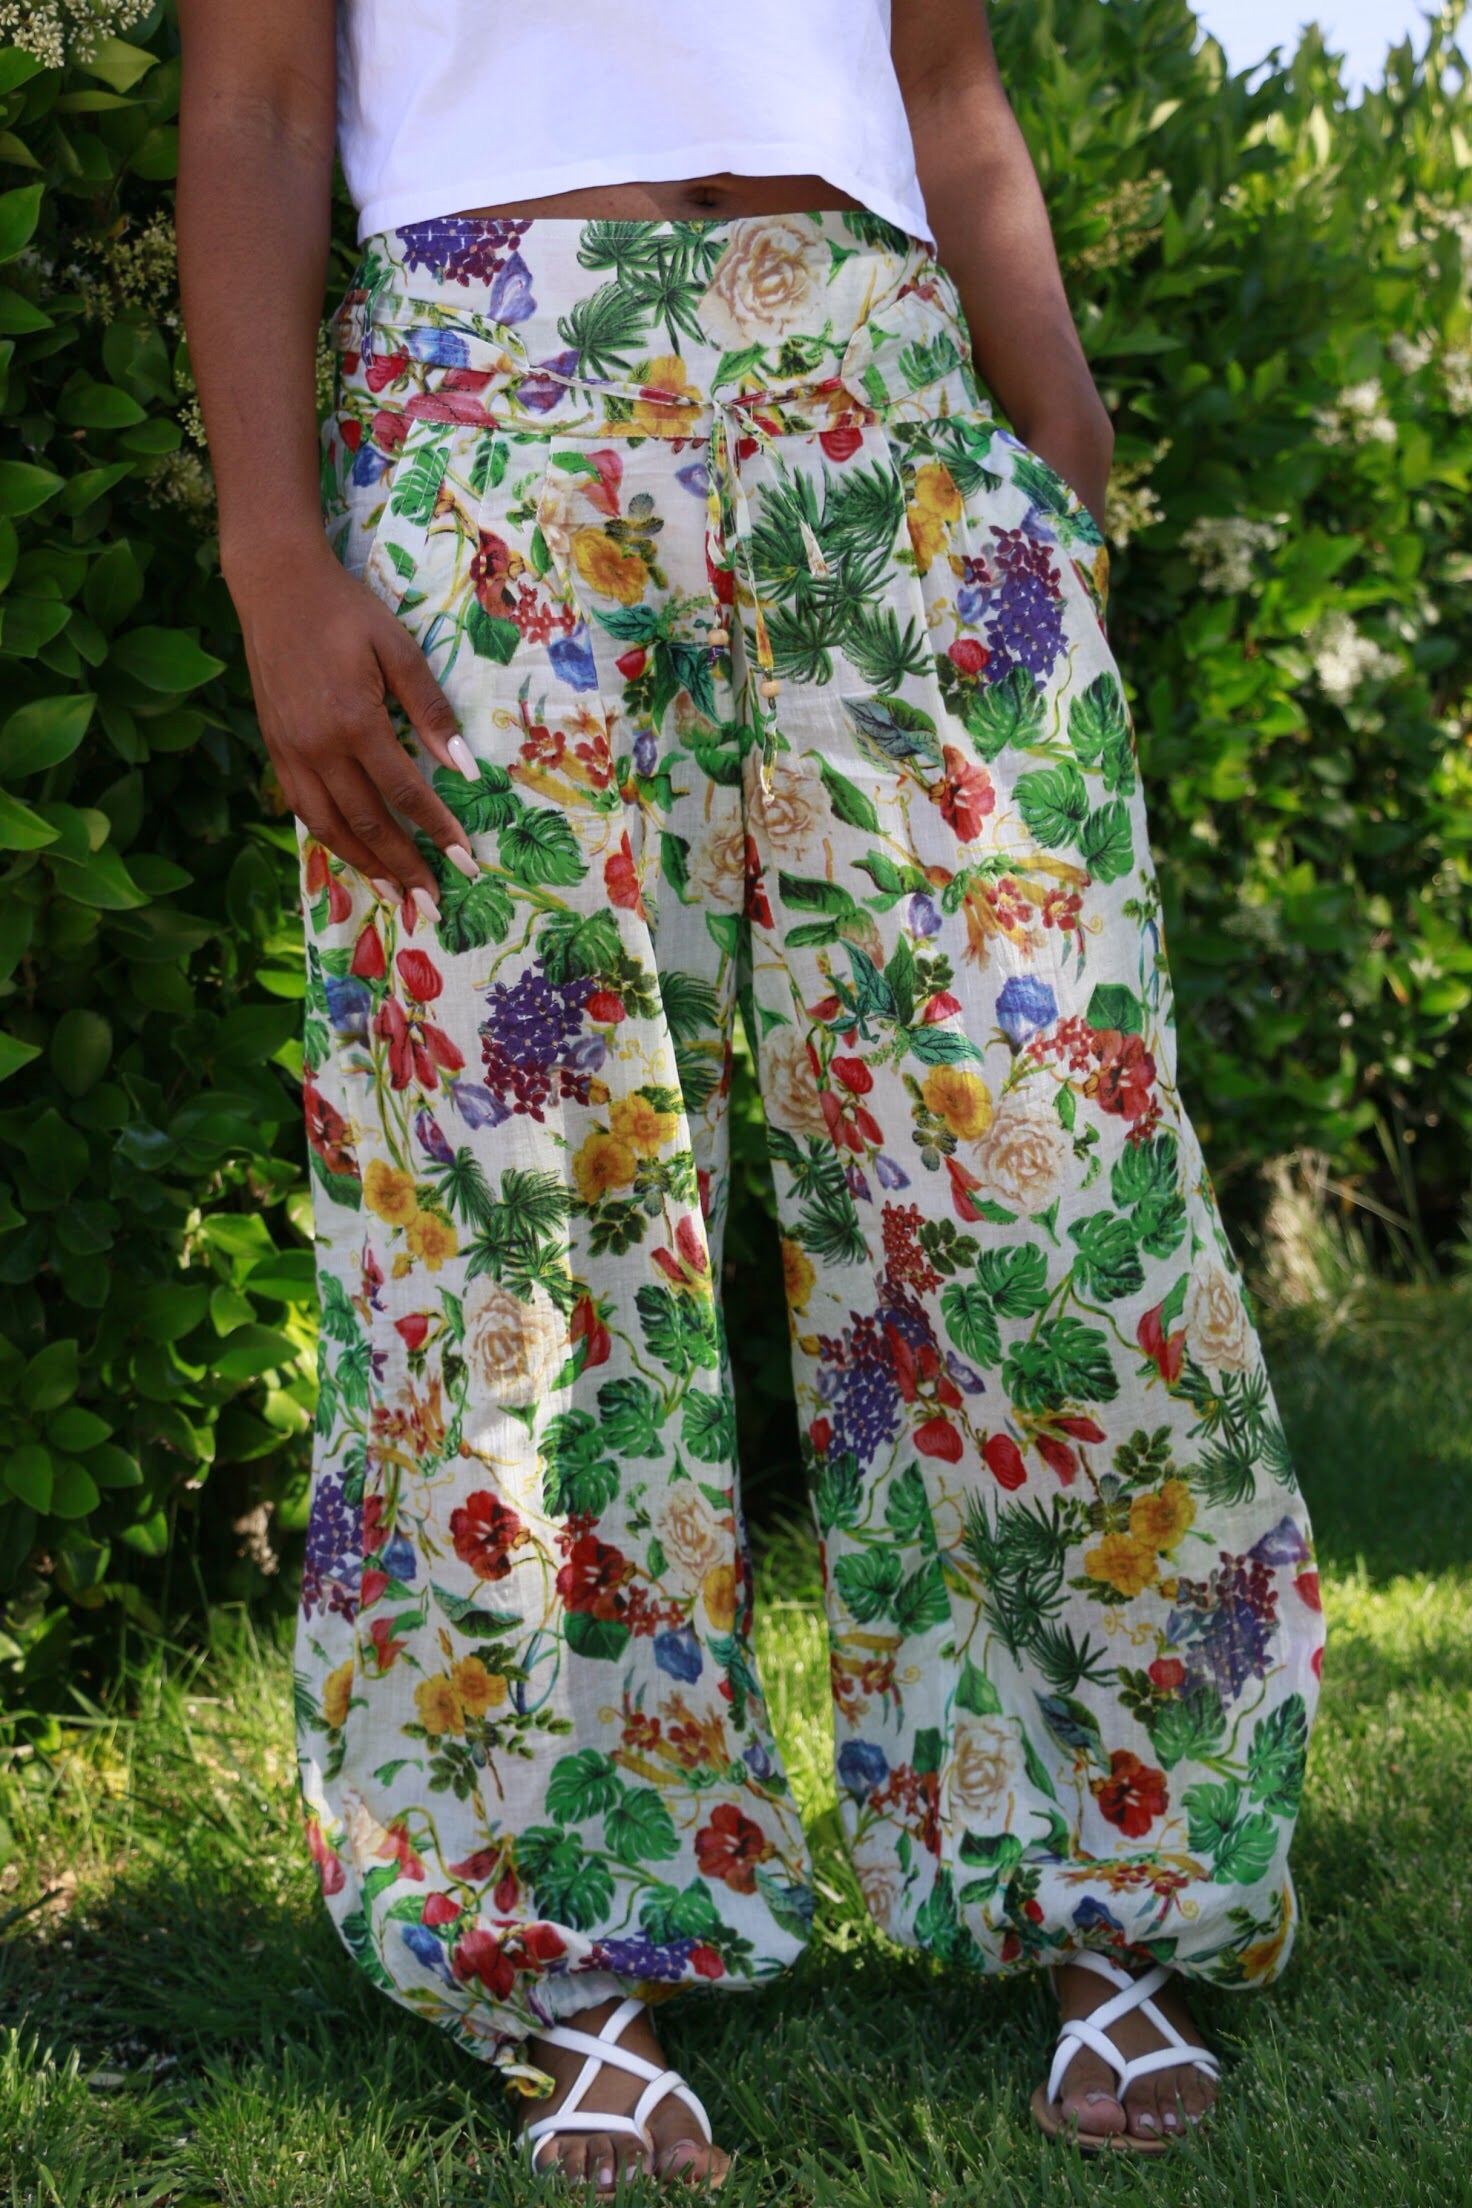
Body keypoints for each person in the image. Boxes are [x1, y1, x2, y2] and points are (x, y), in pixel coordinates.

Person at [177, 0, 1325, 2187]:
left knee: (1035, 1166)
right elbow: (250, 98)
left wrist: (1056, 451)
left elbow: (945, 78)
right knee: (515, 1213)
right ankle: (558, 1940)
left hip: (888, 412)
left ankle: (1115, 1875)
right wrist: (270, 548)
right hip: (492, 407)